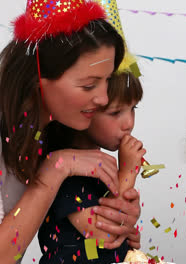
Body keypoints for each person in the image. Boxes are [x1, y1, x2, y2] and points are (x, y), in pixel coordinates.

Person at [0, 1, 140, 263]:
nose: (102, 99)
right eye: (89, 85)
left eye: (107, 80)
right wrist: (55, 168)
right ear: (37, 79)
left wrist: (119, 213)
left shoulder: (58, 134)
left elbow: (99, 230)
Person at [39, 72, 145, 263]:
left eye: (133, 108)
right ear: (85, 112)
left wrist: (126, 236)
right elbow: (104, 236)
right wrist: (128, 173)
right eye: (115, 112)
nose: (129, 123)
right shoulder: (65, 171)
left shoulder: (102, 167)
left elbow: (113, 227)